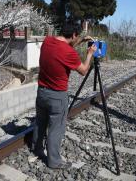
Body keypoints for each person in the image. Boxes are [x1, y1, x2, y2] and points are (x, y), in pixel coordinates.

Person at [32, 23, 96, 169]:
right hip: (57, 96)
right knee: (56, 128)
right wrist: (89, 54)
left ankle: (37, 148)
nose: (78, 38)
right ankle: (54, 161)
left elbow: (64, 46)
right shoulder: (69, 53)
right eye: (77, 36)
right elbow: (84, 70)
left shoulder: (47, 41)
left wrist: (81, 40)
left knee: (40, 122)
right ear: (74, 35)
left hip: (41, 92)